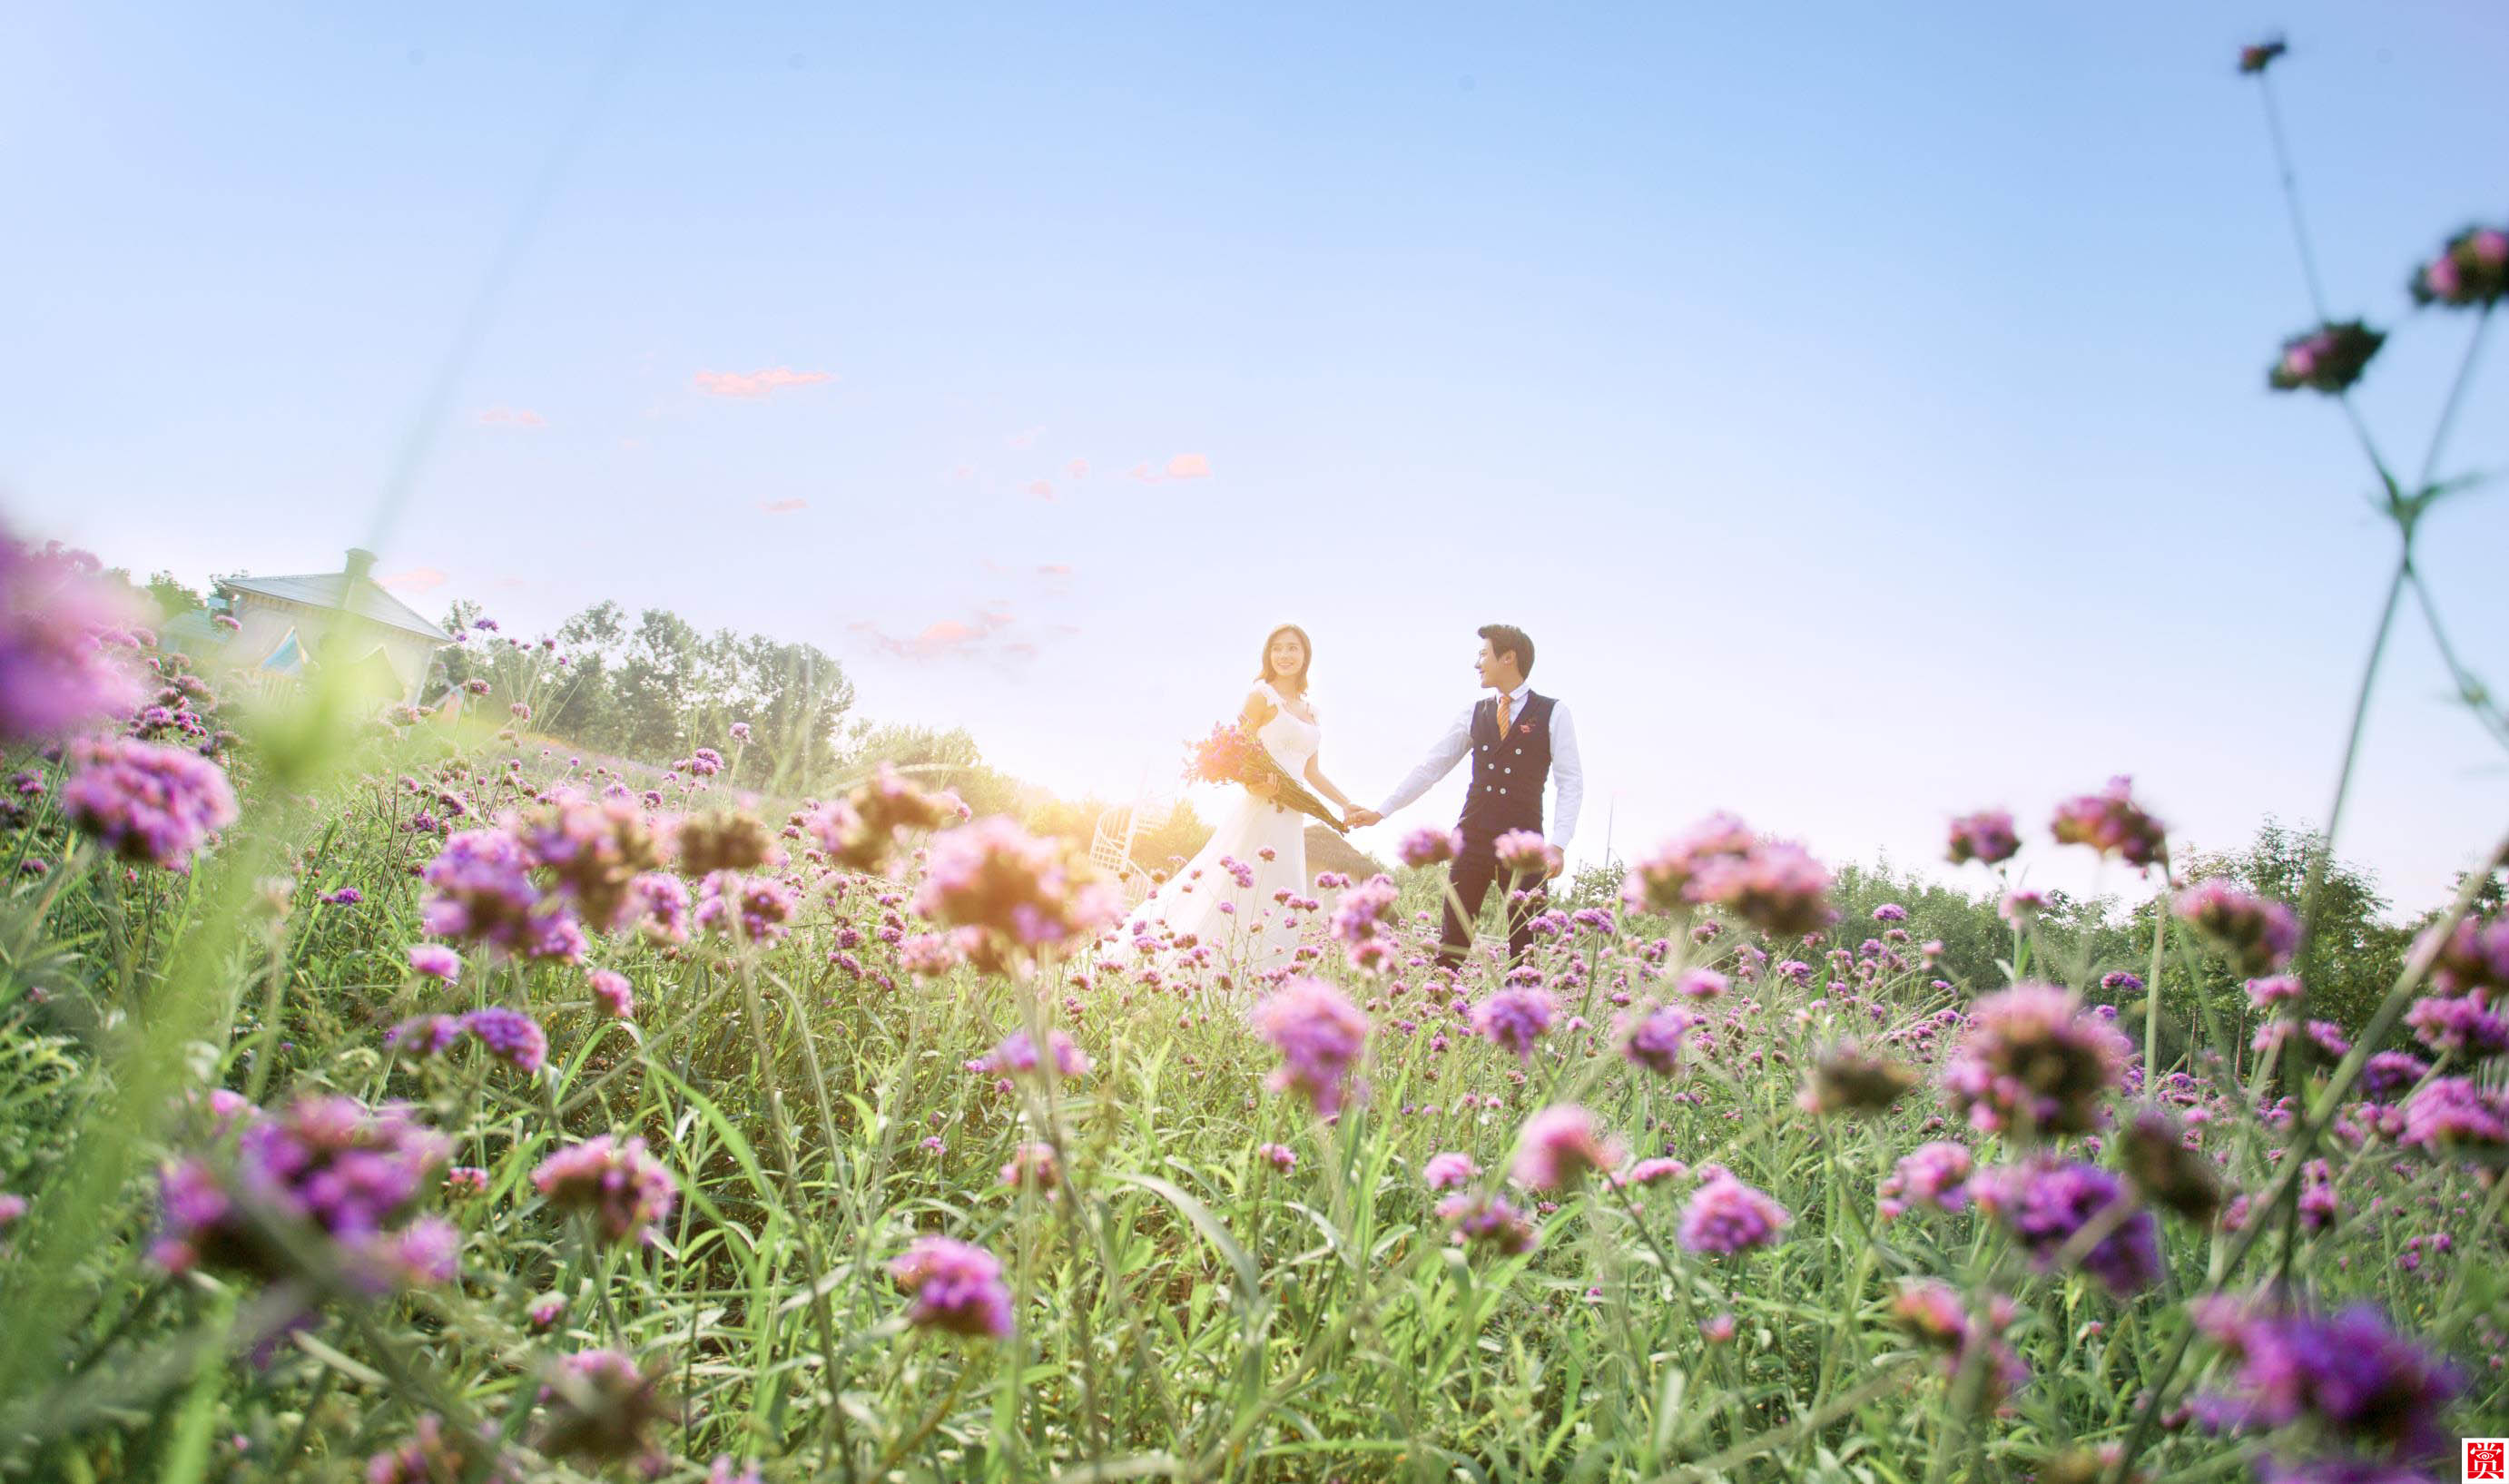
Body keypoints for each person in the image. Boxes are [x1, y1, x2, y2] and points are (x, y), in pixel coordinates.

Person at [1117, 624, 1358, 983]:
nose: (1285, 655)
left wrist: (1346, 804)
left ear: (1305, 656)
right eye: (1277, 648)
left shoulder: (1312, 713)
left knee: (1282, 895)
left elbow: (1313, 772)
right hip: (1260, 809)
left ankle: (1262, 983)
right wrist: (1256, 785)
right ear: (1268, 655)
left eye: (1293, 648)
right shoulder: (1261, 695)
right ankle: (1195, 974)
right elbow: (1235, 754)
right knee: (1235, 889)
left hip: (1291, 817)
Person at [1348, 623, 1582, 971]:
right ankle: (1440, 1018)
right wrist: (1382, 811)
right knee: (1452, 945)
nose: (1477, 663)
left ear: (1508, 658)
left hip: (1525, 848)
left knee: (1525, 950)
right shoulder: (1474, 713)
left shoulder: (1554, 712)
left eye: (1483, 654)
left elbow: (1571, 781)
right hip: (1471, 839)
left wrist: (1559, 844)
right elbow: (1432, 766)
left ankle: (1520, 1021)